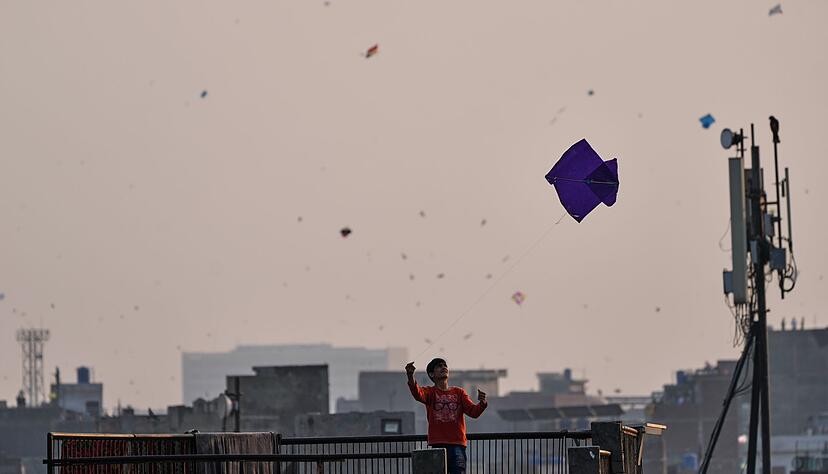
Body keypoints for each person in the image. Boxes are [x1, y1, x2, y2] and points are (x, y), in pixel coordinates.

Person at [406, 358, 487, 474]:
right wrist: (410, 376)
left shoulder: (459, 393)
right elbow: (417, 393)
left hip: (457, 444)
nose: (444, 367)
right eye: (439, 366)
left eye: (445, 365)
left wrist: (482, 403)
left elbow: (473, 412)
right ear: (432, 374)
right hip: (438, 444)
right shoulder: (430, 392)